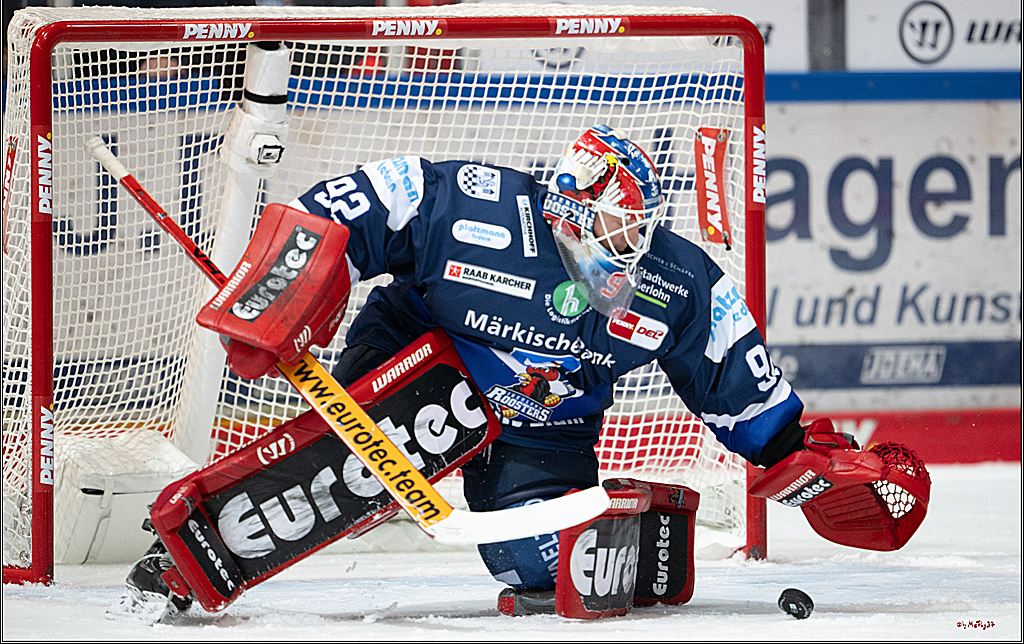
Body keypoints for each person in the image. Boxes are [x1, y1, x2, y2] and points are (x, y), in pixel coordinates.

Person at [119, 125, 808, 617]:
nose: (635, 245)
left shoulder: (675, 280)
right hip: (420, 359)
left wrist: (791, 453)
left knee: (550, 572)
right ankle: (185, 553)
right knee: (341, 477)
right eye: (620, 225)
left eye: (642, 227)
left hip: (547, 427)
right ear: (570, 209)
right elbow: (345, 209)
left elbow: (732, 374)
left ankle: (617, 516)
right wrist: (282, 290)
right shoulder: (473, 206)